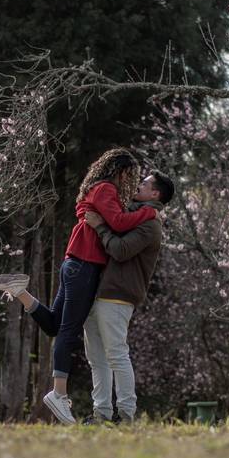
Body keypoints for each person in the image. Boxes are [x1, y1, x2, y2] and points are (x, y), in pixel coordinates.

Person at [0, 148, 156, 424]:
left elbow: (110, 220)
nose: (131, 181)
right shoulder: (105, 189)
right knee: (68, 330)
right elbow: (118, 222)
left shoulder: (97, 189)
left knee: (54, 325)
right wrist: (149, 213)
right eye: (130, 175)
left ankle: (20, 291)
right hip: (86, 265)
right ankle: (58, 393)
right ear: (121, 171)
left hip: (74, 263)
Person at [82, 170, 174, 424]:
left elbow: (121, 250)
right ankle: (100, 413)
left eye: (144, 183)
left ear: (155, 194)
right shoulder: (133, 215)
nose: (138, 184)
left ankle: (126, 415)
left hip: (118, 295)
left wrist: (99, 226)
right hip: (102, 293)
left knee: (116, 355)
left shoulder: (150, 225)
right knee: (96, 358)